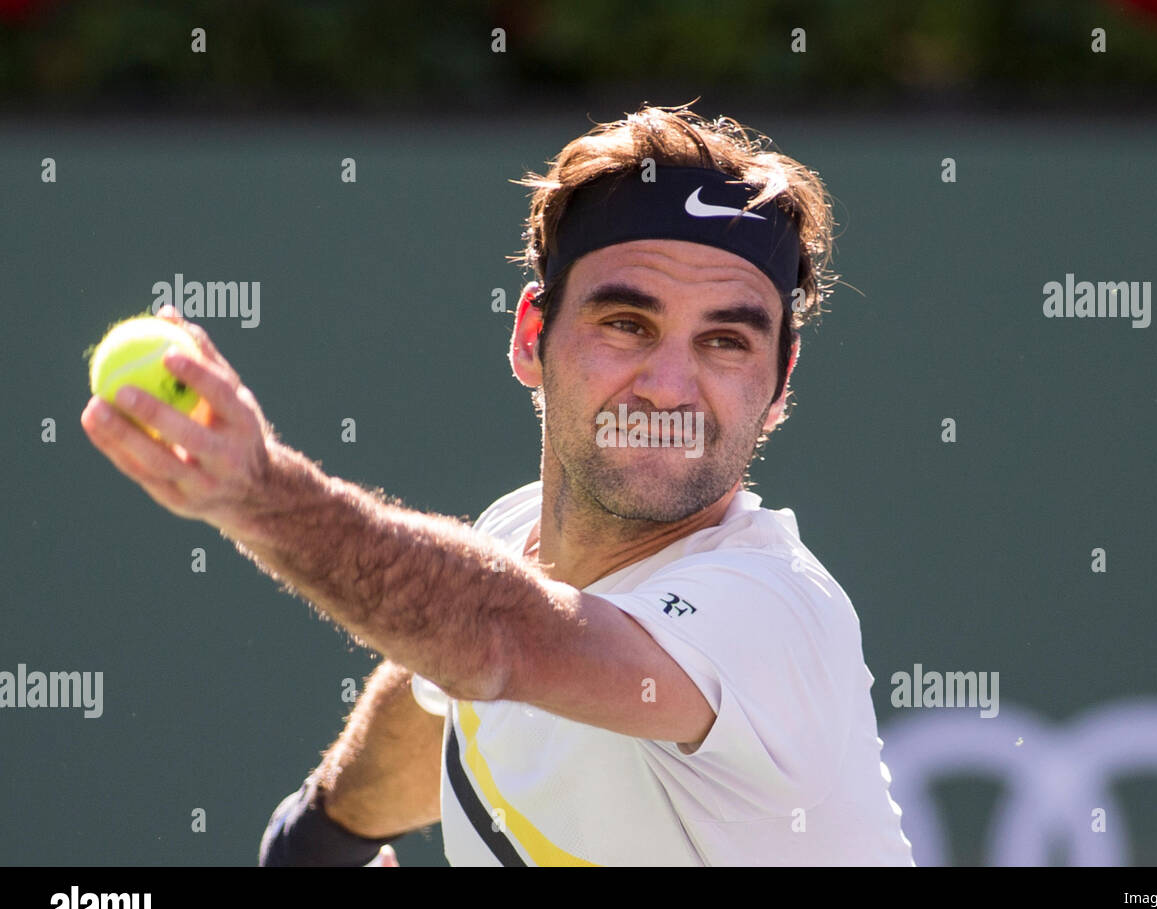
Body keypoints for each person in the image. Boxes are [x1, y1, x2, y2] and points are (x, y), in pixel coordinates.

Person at [81, 103, 914, 866]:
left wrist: (264, 493)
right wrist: (321, 839)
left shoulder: (773, 614)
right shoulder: (514, 543)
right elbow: (451, 676)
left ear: (778, 385)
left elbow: (498, 640)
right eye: (627, 324)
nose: (668, 384)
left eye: (726, 342)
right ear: (531, 338)